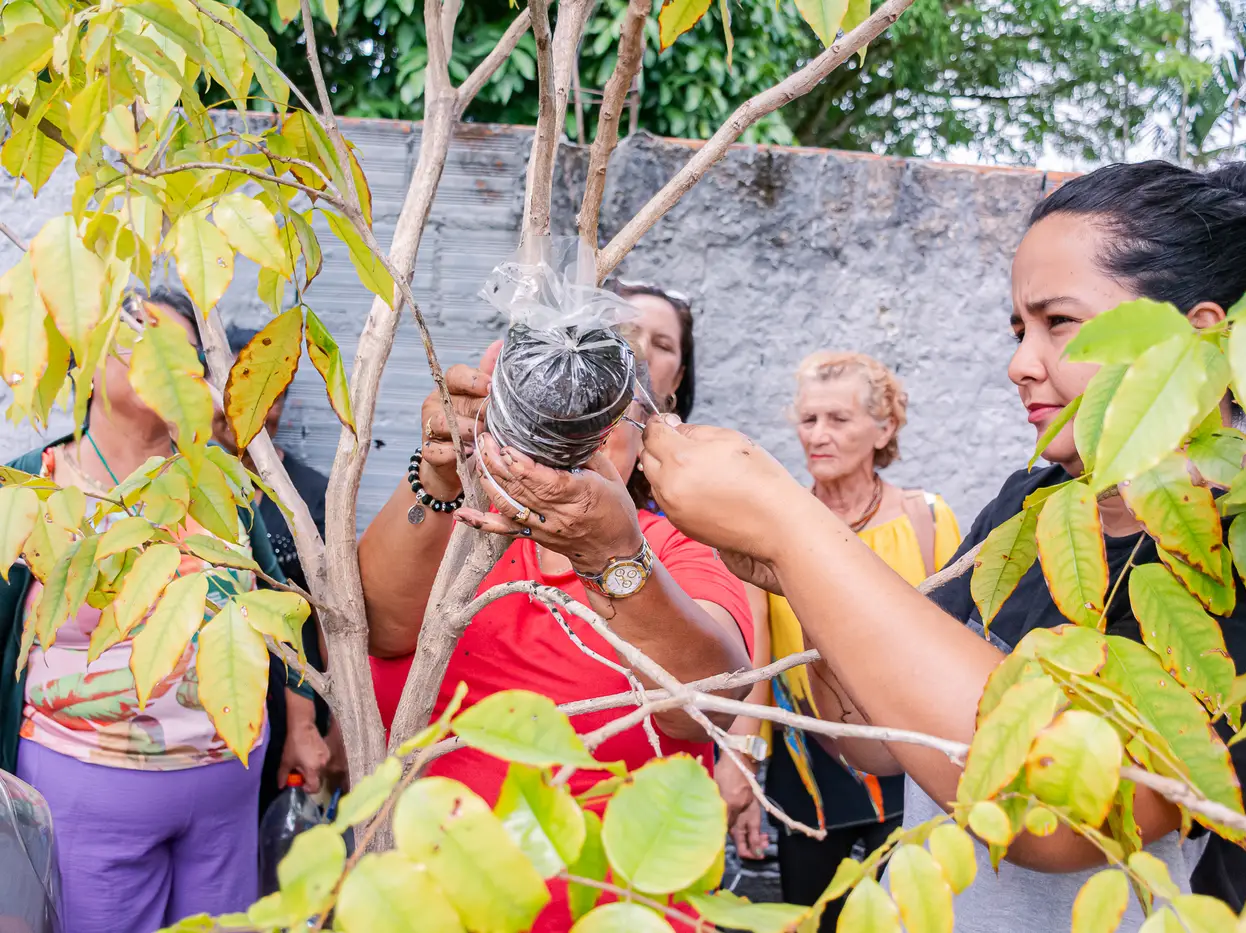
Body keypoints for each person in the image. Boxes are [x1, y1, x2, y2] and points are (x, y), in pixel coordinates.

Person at [637, 161, 1246, 930]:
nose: (1020, 364)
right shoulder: (1030, 507)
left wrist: (794, 530)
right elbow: (877, 740)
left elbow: (1057, 816)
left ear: (1197, 338)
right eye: (1019, 329)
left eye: (1058, 323)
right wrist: (791, 568)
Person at [358, 287, 753, 932]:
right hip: (426, 907)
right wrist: (438, 475)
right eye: (549, 404)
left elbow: (703, 706)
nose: (573, 433)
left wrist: (608, 553)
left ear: (648, 432)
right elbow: (379, 629)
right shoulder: (454, 533)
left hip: (618, 913)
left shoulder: (675, 549)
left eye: (604, 414)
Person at [0, 288, 323, 933]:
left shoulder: (220, 485)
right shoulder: (33, 491)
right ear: (86, 361)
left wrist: (303, 725)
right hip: (85, 789)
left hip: (225, 795)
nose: (166, 357)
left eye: (183, 348)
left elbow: (281, 607)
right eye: (140, 336)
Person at [716, 351, 961, 932]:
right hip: (809, 767)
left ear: (885, 428)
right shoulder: (773, 528)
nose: (817, 435)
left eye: (838, 419)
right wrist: (743, 763)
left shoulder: (927, 519)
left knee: (908, 918)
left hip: (912, 765)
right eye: (808, 419)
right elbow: (756, 659)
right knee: (810, 918)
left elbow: (955, 648)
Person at [213, 326, 343, 813]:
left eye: (272, 395)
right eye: (236, 390)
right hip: (207, 704)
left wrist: (338, 725)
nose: (255, 408)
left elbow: (333, 618)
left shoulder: (310, 494)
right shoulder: (176, 493)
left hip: (293, 703)